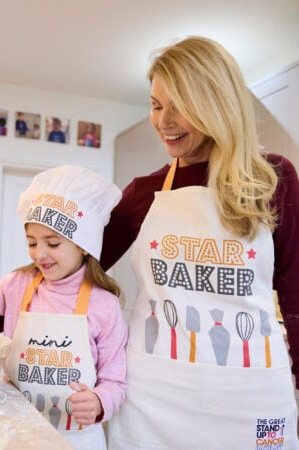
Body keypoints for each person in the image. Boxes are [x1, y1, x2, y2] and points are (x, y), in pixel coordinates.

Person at [100, 36, 299, 449]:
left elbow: (296, 290)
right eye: (156, 105)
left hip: (252, 397)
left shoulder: (274, 180)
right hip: (154, 401)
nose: (163, 121)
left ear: (217, 104)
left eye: (180, 106)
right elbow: (71, 271)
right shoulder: (144, 192)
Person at [0, 165, 128, 450]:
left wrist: (99, 401)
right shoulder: (17, 284)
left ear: (84, 245)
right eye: (32, 242)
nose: (40, 253)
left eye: (52, 243)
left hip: (77, 438)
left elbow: (115, 380)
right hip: (17, 430)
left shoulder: (105, 305)